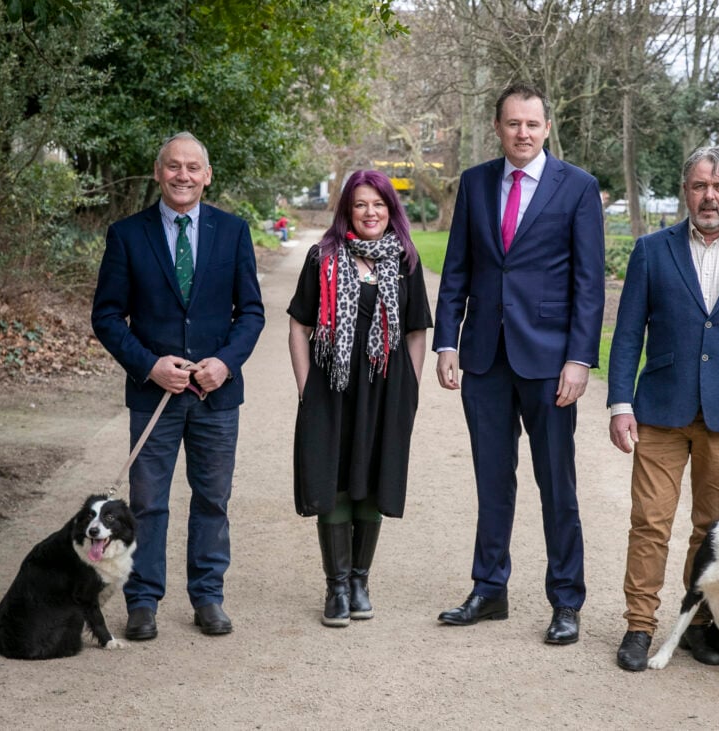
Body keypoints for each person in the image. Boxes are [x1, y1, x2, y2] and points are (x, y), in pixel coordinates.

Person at [433, 82, 606, 645]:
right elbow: (457, 268)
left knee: (557, 482)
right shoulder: (476, 183)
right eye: (513, 124)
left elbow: (588, 284)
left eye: (532, 124)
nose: (523, 133)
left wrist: (580, 359)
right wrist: (447, 342)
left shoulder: (577, 187)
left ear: (547, 127)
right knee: (491, 479)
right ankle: (490, 589)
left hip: (551, 360)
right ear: (498, 127)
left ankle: (566, 600)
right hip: (484, 356)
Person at [607, 145, 719, 671]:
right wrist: (620, 403)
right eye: (699, 186)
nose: (709, 196)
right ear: (685, 190)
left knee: (713, 528)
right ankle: (639, 626)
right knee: (650, 522)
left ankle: (699, 626)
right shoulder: (650, 250)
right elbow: (626, 336)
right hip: (660, 410)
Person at [92, 131, 265, 640]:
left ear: (207, 175)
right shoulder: (127, 234)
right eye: (173, 166)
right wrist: (148, 366)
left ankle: (208, 597)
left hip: (216, 395)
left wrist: (226, 364)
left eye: (193, 167)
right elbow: (106, 315)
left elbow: (251, 312)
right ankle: (142, 601)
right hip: (154, 395)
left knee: (212, 498)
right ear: (158, 172)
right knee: (147, 504)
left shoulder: (233, 232)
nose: (183, 175)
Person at [288, 169, 432, 627]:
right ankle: (335, 586)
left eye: (379, 205)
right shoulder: (323, 257)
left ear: (391, 210)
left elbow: (415, 331)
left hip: (387, 389)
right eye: (360, 205)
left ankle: (360, 581)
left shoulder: (405, 260)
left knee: (374, 474)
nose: (370, 213)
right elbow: (298, 325)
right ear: (347, 211)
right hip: (331, 388)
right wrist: (306, 387)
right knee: (331, 478)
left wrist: (410, 389)